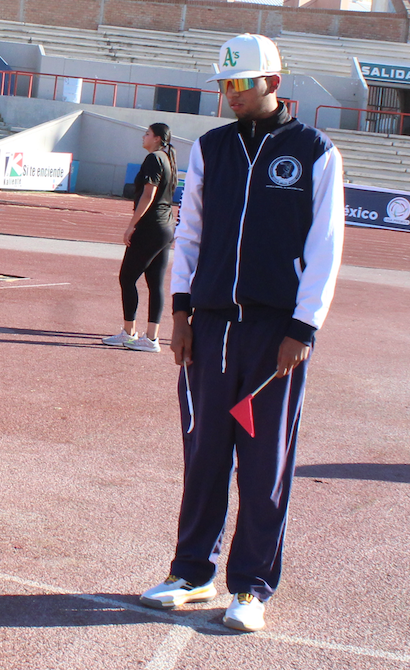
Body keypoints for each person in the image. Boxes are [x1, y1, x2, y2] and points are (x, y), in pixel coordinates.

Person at [138, 34, 344, 633]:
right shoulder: (210, 149)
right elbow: (191, 233)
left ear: (272, 84)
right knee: (203, 454)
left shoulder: (314, 152)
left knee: (263, 462)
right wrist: (179, 314)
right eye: (223, 84)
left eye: (240, 84)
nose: (229, 95)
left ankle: (251, 586)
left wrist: (303, 327)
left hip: (275, 332)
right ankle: (191, 571)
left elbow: (325, 248)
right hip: (210, 330)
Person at [102, 123, 178, 353]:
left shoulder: (154, 158)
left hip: (150, 227)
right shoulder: (168, 159)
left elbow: (148, 194)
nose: (143, 137)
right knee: (155, 283)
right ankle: (152, 338)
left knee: (127, 277)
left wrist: (131, 225)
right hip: (166, 227)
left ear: (156, 138)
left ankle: (129, 332)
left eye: (147, 134)